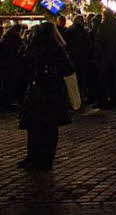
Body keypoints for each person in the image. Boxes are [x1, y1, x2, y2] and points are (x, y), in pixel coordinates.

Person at [18, 21, 74, 170]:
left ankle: (33, 157)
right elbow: (68, 69)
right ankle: (46, 159)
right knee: (49, 128)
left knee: (34, 127)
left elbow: (23, 66)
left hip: (35, 91)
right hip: (51, 91)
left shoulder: (33, 47)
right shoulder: (57, 48)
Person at [93, 8, 116, 108]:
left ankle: (103, 100)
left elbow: (99, 41)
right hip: (115, 57)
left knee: (103, 79)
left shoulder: (103, 26)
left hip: (105, 57)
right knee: (114, 79)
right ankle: (115, 99)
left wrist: (97, 55)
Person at [64, 16, 92, 105]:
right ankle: (81, 96)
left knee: (74, 79)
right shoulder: (84, 31)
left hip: (73, 58)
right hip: (82, 58)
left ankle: (75, 98)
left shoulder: (69, 31)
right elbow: (88, 45)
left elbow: (66, 45)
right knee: (82, 78)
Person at [0, 25, 26, 109]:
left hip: (5, 64)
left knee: (6, 84)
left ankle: (6, 102)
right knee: (12, 83)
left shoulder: (5, 37)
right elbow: (20, 50)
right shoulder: (15, 38)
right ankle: (9, 101)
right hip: (13, 64)